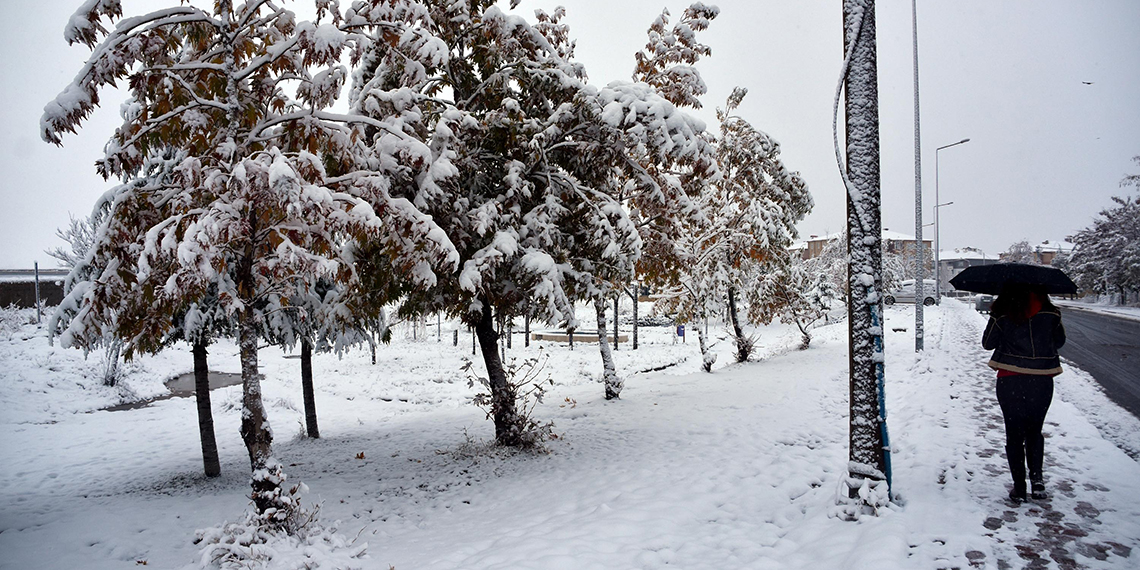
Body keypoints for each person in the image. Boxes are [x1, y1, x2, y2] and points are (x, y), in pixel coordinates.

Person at [982, 283, 1065, 503]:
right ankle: (1037, 482)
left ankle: (1019, 487)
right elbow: (1059, 342)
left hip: (1010, 379)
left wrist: (997, 318)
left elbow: (987, 343)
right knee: (1035, 431)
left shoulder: (1003, 312)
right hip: (1042, 380)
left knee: (1014, 433)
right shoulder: (1051, 313)